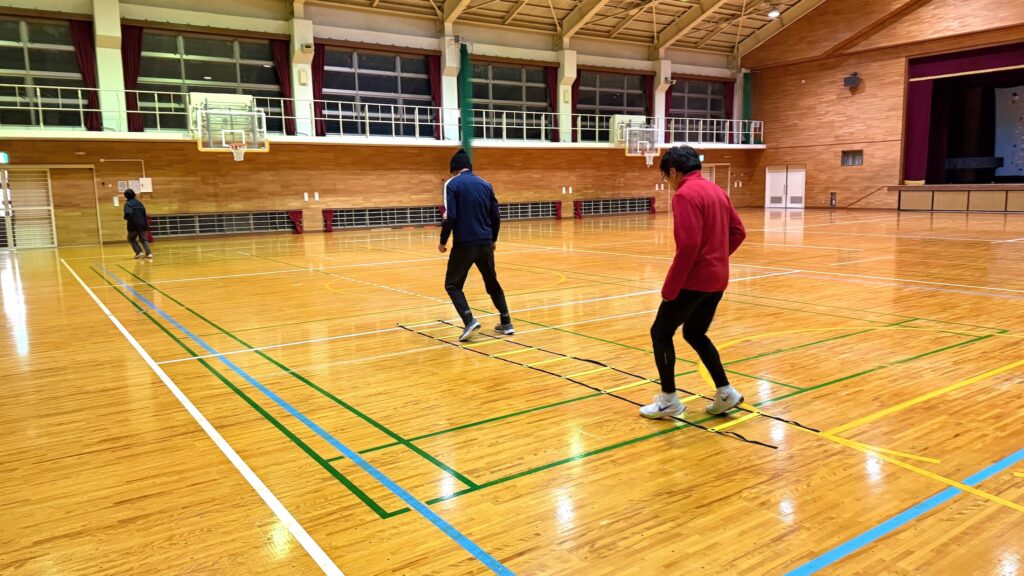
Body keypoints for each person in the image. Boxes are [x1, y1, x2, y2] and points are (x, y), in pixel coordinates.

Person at [640, 146, 746, 419]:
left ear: (673, 171)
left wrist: (670, 288)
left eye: (667, 177)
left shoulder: (684, 194)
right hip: (717, 279)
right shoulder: (717, 190)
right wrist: (717, 258)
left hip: (694, 281)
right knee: (694, 333)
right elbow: (738, 232)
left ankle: (668, 400)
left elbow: (688, 246)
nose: (669, 182)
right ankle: (726, 392)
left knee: (661, 332)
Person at [439, 149, 513, 342]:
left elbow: (451, 216)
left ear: (454, 169)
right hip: (485, 243)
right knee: (492, 282)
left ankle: (469, 320)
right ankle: (506, 322)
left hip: (464, 244)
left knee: (452, 284)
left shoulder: (452, 184)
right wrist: (493, 239)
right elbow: (495, 216)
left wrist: (443, 241)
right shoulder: (486, 184)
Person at [123, 189, 152, 259]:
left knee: (131, 238)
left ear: (126, 196)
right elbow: (144, 213)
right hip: (142, 224)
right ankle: (149, 254)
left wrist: (125, 217)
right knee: (143, 239)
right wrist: (145, 224)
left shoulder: (128, 204)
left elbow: (128, 212)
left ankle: (139, 252)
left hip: (133, 225)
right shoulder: (139, 203)